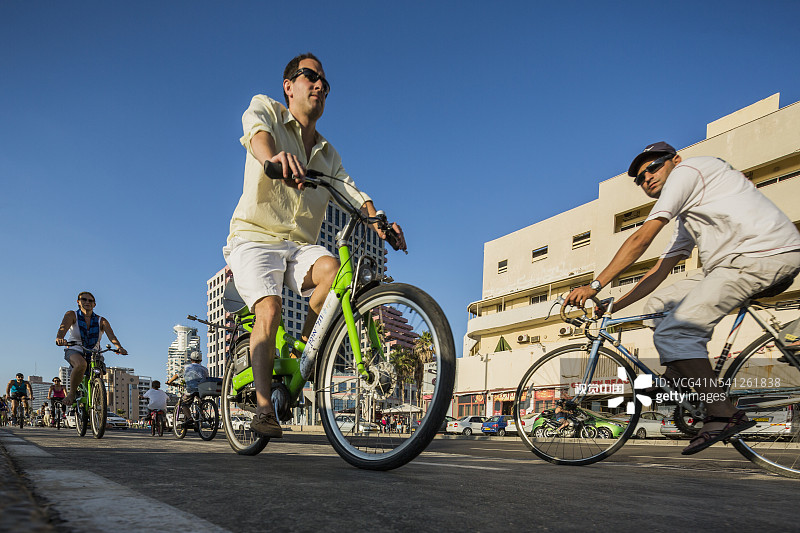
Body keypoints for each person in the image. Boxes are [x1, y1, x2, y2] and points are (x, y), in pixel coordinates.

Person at [566, 141, 800, 455]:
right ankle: (680, 376)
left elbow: (642, 238)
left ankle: (722, 413)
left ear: (675, 160)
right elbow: (660, 271)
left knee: (674, 331)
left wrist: (595, 285)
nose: (647, 178)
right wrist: (614, 306)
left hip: (761, 256)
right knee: (657, 306)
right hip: (731, 264)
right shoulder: (689, 215)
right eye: (639, 178)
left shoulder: (688, 171)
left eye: (653, 167)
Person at [223, 53, 406, 438]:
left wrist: (378, 221)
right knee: (270, 308)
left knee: (338, 273)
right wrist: (272, 158)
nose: (321, 85)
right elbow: (256, 134)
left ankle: (304, 352)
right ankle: (263, 409)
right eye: (311, 76)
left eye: (325, 82)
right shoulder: (267, 109)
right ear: (289, 86)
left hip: (298, 246)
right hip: (254, 237)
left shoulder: (327, 153)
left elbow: (351, 190)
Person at [55, 292, 127, 406]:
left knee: (98, 375)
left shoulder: (101, 320)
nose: (87, 302)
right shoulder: (72, 315)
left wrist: (119, 347)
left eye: (90, 301)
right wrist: (60, 338)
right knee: (81, 364)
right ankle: (72, 393)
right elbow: (62, 329)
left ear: (94, 304)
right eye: (84, 299)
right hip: (75, 349)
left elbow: (112, 336)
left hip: (94, 352)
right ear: (78, 302)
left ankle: (99, 407)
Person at [166, 350, 208, 426]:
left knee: (184, 404)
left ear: (191, 359)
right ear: (201, 360)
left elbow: (177, 375)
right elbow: (207, 378)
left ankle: (190, 418)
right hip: (202, 389)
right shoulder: (205, 369)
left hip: (191, 389)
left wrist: (169, 381)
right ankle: (202, 414)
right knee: (200, 403)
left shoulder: (187, 367)